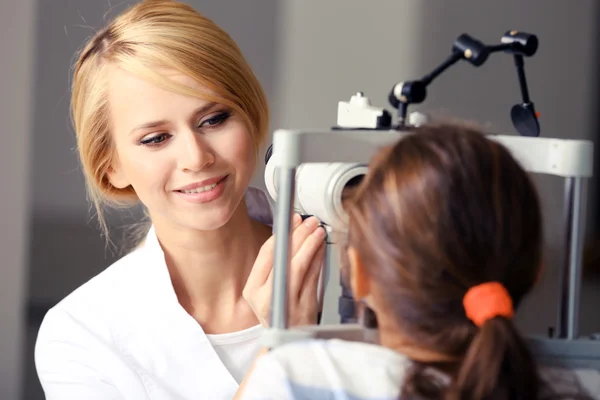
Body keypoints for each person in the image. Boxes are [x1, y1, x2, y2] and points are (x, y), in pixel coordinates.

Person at [34, 1, 326, 399]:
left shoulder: (360, 266)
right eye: (155, 139)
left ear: (251, 114)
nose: (197, 157)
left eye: (215, 119)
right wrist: (280, 347)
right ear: (111, 168)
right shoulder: (81, 334)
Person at [239, 122, 600, 399]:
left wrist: (281, 338)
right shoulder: (582, 383)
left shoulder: (307, 376)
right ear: (536, 270)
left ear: (360, 275)